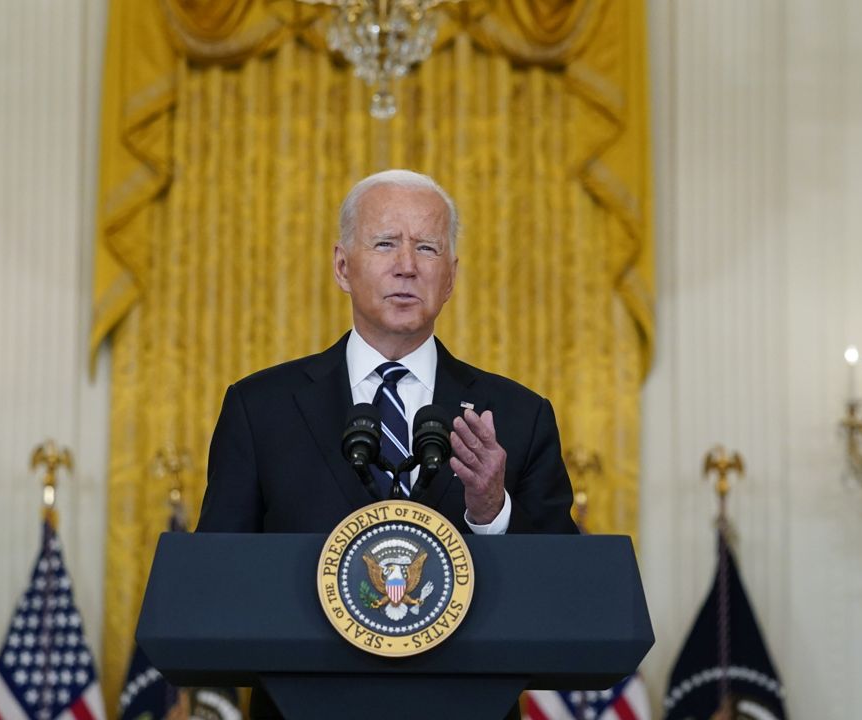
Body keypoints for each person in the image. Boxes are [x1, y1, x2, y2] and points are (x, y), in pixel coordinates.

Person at [195, 169, 579, 718]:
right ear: (342, 266)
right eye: (384, 244)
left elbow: (564, 595)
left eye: (427, 247)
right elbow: (218, 582)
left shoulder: (517, 416)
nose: (406, 265)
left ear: (450, 278)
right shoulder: (261, 409)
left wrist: (493, 513)